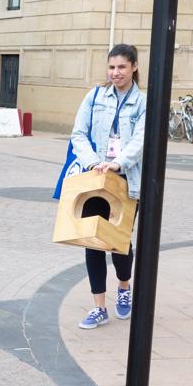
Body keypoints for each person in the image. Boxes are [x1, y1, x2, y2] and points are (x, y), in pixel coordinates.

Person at [70, 43, 147, 330]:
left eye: (122, 67)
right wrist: (93, 162)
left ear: (134, 67)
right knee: (93, 241)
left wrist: (118, 163)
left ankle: (124, 288)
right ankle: (99, 307)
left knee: (118, 241)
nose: (115, 73)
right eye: (111, 67)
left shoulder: (142, 102)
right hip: (95, 176)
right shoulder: (95, 96)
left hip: (124, 179)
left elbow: (141, 140)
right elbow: (78, 133)